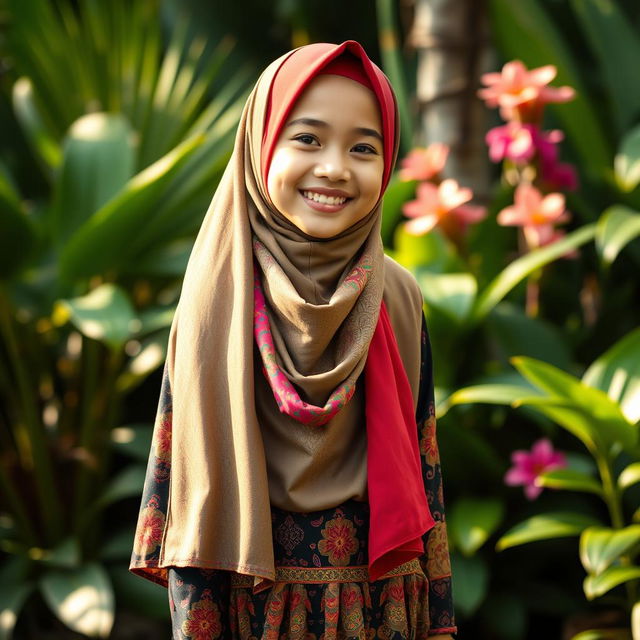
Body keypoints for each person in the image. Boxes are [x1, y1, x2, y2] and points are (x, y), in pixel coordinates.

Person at [130, 40, 457, 639]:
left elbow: (424, 469)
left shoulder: (398, 297)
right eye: (307, 139)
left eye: (363, 147)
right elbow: (184, 492)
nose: (334, 167)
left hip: (381, 608)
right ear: (260, 147)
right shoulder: (215, 299)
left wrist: (435, 622)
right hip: (251, 609)